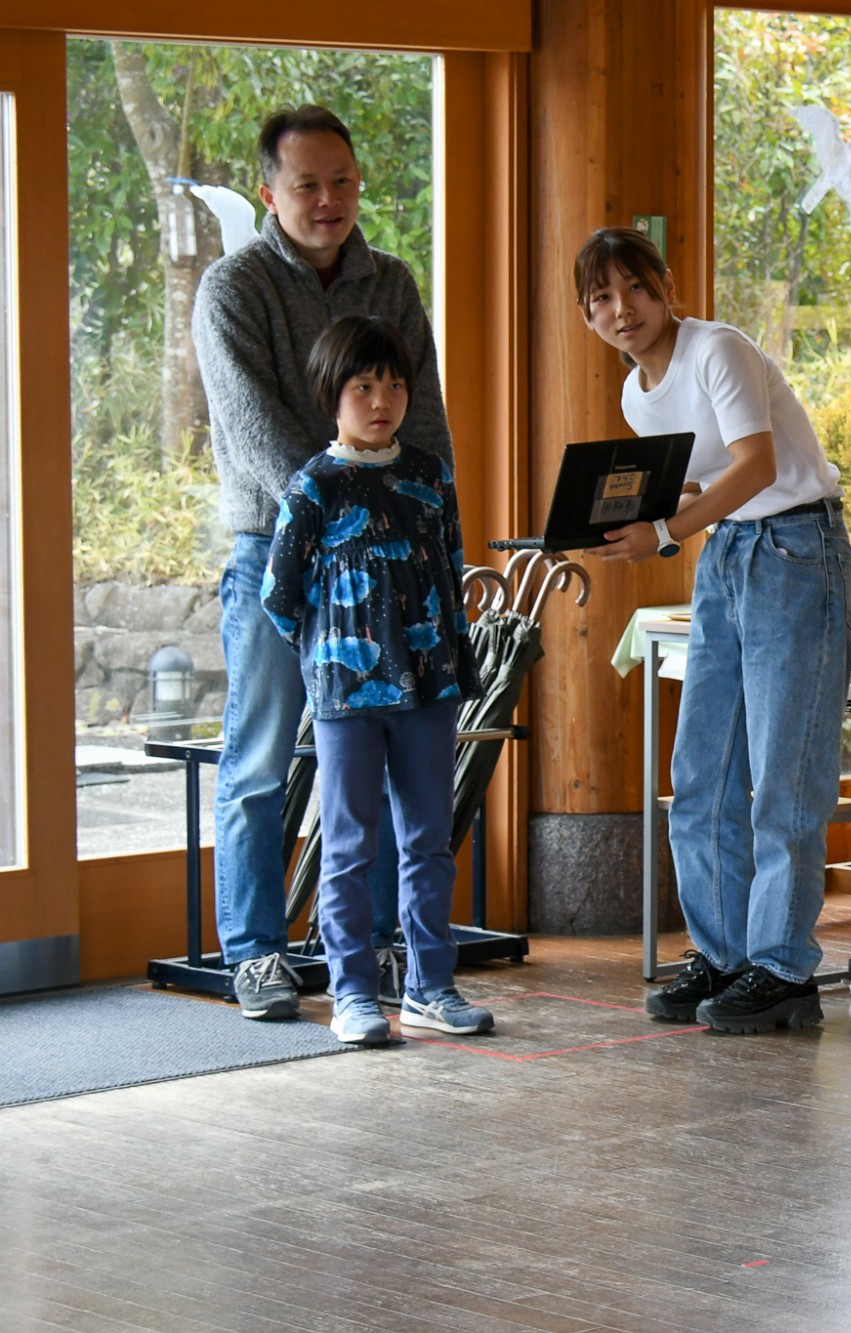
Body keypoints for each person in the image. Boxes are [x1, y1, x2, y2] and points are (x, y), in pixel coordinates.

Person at [193, 105, 450, 1021]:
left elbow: (422, 422)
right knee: (261, 764)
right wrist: (342, 501)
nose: (328, 199)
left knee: (382, 767)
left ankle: (378, 950)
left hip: (392, 567)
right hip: (280, 553)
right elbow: (259, 431)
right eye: (307, 184)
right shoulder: (233, 286)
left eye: (341, 181)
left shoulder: (393, 282)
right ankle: (256, 953)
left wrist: (425, 532)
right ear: (269, 191)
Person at [574, 226, 851, 1035]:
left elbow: (757, 467)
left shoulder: (716, 350)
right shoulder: (636, 394)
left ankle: (782, 967)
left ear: (666, 285)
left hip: (797, 547)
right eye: (599, 299)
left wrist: (662, 535)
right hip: (730, 554)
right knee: (700, 774)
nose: (619, 310)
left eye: (632, 288)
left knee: (784, 775)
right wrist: (621, 517)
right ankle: (727, 953)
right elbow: (699, 480)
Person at [262, 316, 491, 1046]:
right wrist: (326, 652)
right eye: (364, 386)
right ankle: (353, 994)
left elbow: (451, 570)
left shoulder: (429, 473)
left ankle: (430, 987)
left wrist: (454, 658)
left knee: (427, 840)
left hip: (428, 688)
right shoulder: (315, 484)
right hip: (345, 697)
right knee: (351, 844)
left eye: (393, 385)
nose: (381, 399)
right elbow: (280, 592)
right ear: (333, 394)